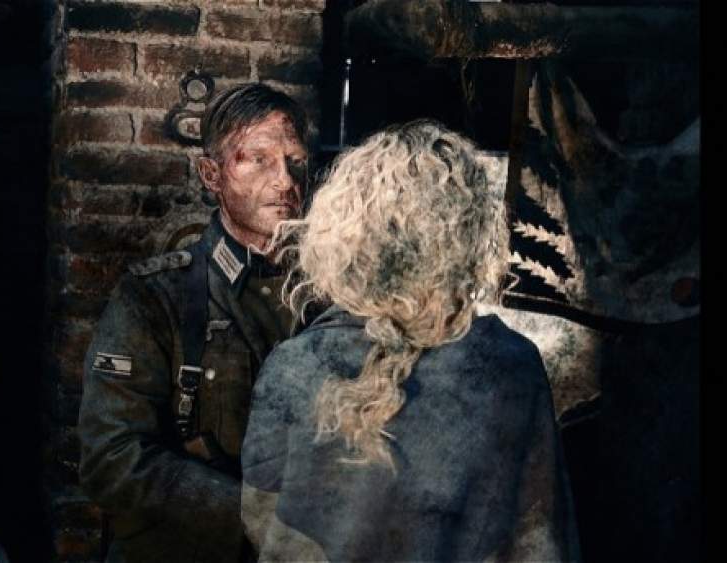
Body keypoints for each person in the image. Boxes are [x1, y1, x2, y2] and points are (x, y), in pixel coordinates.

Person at [241, 119, 582, 562]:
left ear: (345, 234)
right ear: (468, 231)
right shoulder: (508, 367)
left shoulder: (294, 363)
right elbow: (539, 539)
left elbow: (263, 522)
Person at [78, 83, 310, 563]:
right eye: (259, 160)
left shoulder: (327, 299)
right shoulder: (154, 297)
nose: (285, 181)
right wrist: (254, 518)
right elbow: (112, 458)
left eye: (295, 162)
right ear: (212, 174)